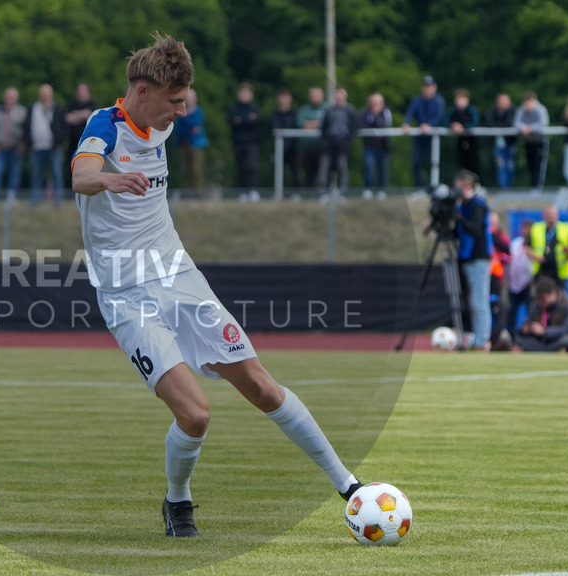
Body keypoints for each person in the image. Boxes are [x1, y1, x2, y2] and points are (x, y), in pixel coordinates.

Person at [70, 33, 362, 539]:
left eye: (186, 100)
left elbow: (174, 89)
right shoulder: (106, 125)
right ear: (141, 92)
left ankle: (350, 487)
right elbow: (81, 174)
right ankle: (177, 502)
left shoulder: (160, 112)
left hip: (180, 277)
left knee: (262, 387)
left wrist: (176, 72)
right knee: (196, 415)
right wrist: (110, 180)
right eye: (174, 103)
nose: (182, 112)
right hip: (126, 295)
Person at [452, 169, 493, 351]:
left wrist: (459, 217)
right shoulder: (462, 206)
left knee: (479, 300)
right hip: (466, 257)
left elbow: (476, 230)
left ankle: (482, 340)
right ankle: (477, 337)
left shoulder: (477, 205)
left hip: (478, 258)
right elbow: (457, 232)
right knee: (473, 301)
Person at [515, 277, 568, 352]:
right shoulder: (537, 306)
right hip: (544, 341)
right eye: (538, 299)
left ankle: (545, 350)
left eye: (543, 298)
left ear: (553, 293)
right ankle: (547, 350)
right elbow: (528, 322)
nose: (540, 302)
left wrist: (544, 331)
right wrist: (527, 329)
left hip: (562, 337)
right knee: (520, 340)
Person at [23, 83, 67, 206]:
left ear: (51, 95)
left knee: (56, 174)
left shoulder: (57, 109)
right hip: (36, 148)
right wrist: (29, 143)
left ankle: (58, 202)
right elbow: (26, 127)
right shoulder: (33, 108)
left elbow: (64, 128)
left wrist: (59, 142)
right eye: (42, 94)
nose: (44, 97)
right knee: (36, 175)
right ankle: (35, 201)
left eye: (46, 94)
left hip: (54, 148)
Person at [402, 76, 445, 187]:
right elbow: (410, 113)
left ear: (435, 87)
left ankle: (433, 188)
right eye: (426, 86)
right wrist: (406, 123)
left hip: (433, 137)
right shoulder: (417, 100)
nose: (428, 89)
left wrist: (429, 125)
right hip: (420, 137)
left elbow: (439, 117)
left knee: (433, 163)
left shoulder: (438, 101)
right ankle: (418, 188)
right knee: (416, 163)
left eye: (430, 86)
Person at [0, 87, 26, 204]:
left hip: (16, 148)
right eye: (8, 97)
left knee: (15, 173)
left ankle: (12, 196)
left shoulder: (22, 112)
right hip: (0, 148)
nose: (9, 99)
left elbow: (25, 131)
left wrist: (22, 145)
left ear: (16, 99)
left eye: (12, 97)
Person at [317, 87, 358, 193]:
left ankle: (342, 191)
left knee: (342, 168)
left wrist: (348, 139)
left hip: (343, 144)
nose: (339, 97)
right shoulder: (329, 110)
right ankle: (323, 191)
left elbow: (354, 127)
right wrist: (325, 140)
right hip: (329, 144)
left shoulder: (350, 110)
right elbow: (324, 127)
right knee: (325, 168)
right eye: (337, 95)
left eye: (341, 95)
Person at [528, 204, 568, 289]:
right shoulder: (536, 228)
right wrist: (536, 256)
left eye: (553, 214)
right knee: (541, 295)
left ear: (557, 215)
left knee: (559, 297)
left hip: (559, 272)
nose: (551, 216)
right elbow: (527, 248)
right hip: (541, 271)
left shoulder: (565, 228)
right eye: (549, 214)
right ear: (544, 216)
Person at [227, 82, 261, 197]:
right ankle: (241, 192)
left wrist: (242, 121)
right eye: (242, 92)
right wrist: (247, 120)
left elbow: (256, 122)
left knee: (251, 167)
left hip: (251, 143)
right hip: (237, 142)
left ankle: (252, 190)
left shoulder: (254, 108)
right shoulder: (234, 109)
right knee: (239, 167)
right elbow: (233, 122)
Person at [172, 88, 208, 191]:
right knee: (185, 171)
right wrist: (189, 127)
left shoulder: (198, 111)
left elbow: (195, 125)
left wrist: (186, 119)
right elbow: (178, 129)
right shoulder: (180, 112)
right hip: (183, 144)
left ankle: (198, 193)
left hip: (196, 145)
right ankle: (187, 193)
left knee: (196, 171)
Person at [513, 91, 550, 190]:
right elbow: (516, 122)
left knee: (539, 165)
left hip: (540, 141)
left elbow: (543, 123)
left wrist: (530, 128)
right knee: (530, 165)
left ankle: (538, 188)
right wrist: (523, 127)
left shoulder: (541, 109)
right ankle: (532, 186)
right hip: (529, 141)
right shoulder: (522, 109)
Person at [64, 83, 97, 187]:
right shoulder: (71, 105)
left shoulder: (93, 105)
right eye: (80, 92)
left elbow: (88, 114)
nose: (81, 94)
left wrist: (75, 116)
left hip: (89, 144)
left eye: (84, 92)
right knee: (72, 168)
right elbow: (67, 118)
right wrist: (82, 115)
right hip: (73, 144)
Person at [296, 87, 328, 190]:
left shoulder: (327, 108)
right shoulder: (304, 108)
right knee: (307, 171)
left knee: (322, 171)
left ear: (322, 96)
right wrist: (318, 124)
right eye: (313, 95)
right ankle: (308, 193)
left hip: (322, 145)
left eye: (317, 95)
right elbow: (300, 123)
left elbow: (327, 123)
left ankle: (322, 192)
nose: (315, 98)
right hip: (306, 145)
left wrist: (311, 124)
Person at [359, 92, 392, 192]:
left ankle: (382, 190)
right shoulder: (365, 112)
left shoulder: (386, 113)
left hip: (383, 146)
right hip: (369, 146)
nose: (375, 106)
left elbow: (384, 126)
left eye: (377, 103)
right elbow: (361, 125)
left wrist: (375, 116)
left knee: (383, 169)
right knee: (369, 168)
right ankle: (367, 189)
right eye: (373, 103)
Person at [488, 211, 511, 349]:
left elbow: (508, 252)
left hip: (495, 277)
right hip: (482, 277)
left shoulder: (499, 237)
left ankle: (495, 336)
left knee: (496, 305)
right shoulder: (483, 235)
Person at [507, 219, 534, 335]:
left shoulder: (535, 244)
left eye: (528, 229)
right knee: (512, 312)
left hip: (529, 284)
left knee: (531, 312)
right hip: (514, 284)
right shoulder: (515, 243)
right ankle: (511, 337)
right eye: (524, 228)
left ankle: (531, 336)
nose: (525, 231)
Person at [486, 93, 517, 189]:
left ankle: (510, 186)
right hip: (498, 144)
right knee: (501, 166)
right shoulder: (494, 110)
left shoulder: (513, 110)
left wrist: (498, 126)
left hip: (511, 143)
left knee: (510, 166)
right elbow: (489, 123)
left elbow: (510, 123)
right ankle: (504, 188)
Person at [446, 89, 480, 176]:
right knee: (461, 162)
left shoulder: (471, 110)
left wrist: (463, 128)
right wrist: (452, 126)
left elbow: (475, 122)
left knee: (472, 162)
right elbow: (445, 121)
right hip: (460, 140)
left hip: (471, 140)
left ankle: (474, 182)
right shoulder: (453, 111)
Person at [271, 89, 300, 188]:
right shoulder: (275, 114)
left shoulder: (295, 113)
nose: (284, 100)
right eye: (282, 97)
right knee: (277, 171)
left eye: (286, 97)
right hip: (279, 148)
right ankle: (277, 191)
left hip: (293, 147)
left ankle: (296, 193)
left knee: (295, 171)